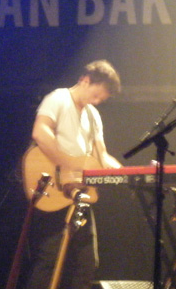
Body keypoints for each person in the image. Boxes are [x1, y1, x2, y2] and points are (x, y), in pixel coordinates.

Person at [24, 60, 122, 289]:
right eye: (96, 95)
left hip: (80, 195)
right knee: (49, 260)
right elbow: (40, 131)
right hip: (55, 190)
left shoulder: (93, 115)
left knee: (87, 263)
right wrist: (68, 164)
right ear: (85, 80)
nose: (96, 102)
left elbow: (102, 155)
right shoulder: (58, 99)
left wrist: (124, 171)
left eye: (101, 100)